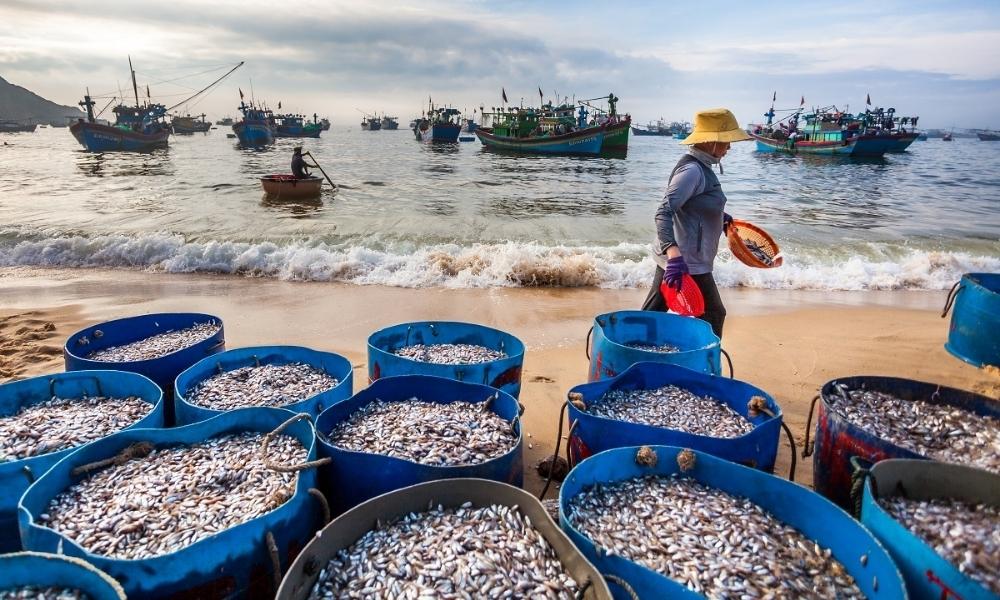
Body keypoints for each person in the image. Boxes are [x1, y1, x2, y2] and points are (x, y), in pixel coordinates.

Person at [641, 108, 752, 338]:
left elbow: (694, 207)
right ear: (710, 141)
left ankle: (637, 352)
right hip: (683, 262)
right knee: (713, 314)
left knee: (654, 314)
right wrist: (674, 256)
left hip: (686, 259)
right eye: (726, 141)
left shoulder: (702, 168)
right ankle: (706, 365)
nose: (729, 147)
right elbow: (663, 212)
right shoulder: (693, 171)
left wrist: (721, 218)